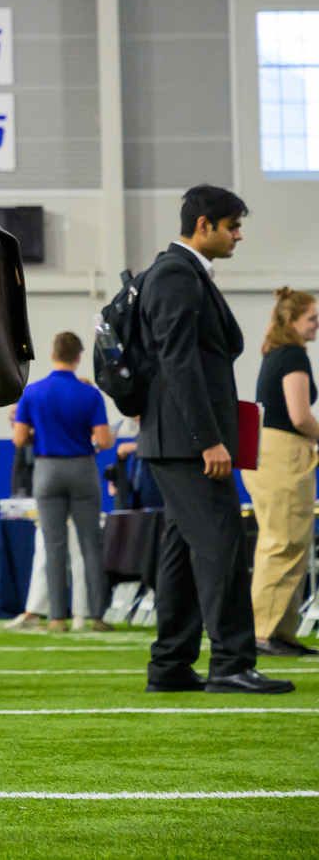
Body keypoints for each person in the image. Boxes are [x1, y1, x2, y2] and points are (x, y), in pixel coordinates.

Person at [139, 186, 292, 695]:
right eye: (233, 226)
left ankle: (171, 665)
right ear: (204, 225)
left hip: (178, 439)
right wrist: (209, 440)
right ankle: (230, 663)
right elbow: (177, 362)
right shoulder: (177, 275)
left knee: (183, 554)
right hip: (188, 443)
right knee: (224, 545)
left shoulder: (181, 274)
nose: (239, 235)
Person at [12, 332, 117, 634]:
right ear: (78, 357)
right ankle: (97, 615)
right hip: (82, 468)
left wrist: (40, 435)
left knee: (53, 545)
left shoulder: (32, 392)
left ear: (53, 354)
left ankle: (57, 617)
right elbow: (105, 439)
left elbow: (19, 438)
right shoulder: (90, 394)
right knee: (90, 545)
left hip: (47, 470)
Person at [244, 287, 319, 658]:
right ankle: (261, 632)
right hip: (282, 453)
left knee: (288, 542)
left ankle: (280, 631)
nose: (317, 325)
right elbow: (300, 415)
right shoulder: (292, 356)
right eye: (312, 318)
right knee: (283, 543)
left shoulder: (274, 353)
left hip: (265, 449)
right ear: (292, 321)